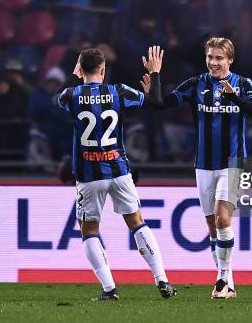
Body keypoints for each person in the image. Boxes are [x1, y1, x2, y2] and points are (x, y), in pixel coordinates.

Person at [141, 37, 252, 299]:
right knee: (212, 228)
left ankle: (221, 280)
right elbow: (161, 104)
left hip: (232, 162)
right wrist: (155, 76)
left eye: (219, 58)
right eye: (210, 57)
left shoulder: (243, 84)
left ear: (230, 60)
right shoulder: (195, 83)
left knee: (223, 219)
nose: (213, 62)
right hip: (204, 164)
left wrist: (236, 98)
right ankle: (227, 283)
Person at [55, 46, 177, 301]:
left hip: (89, 175)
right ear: (103, 69)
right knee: (137, 222)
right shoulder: (118, 91)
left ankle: (109, 289)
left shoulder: (70, 95)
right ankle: (162, 280)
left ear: (80, 69)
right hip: (119, 170)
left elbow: (59, 99)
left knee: (89, 230)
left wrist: (77, 76)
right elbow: (155, 102)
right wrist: (154, 74)